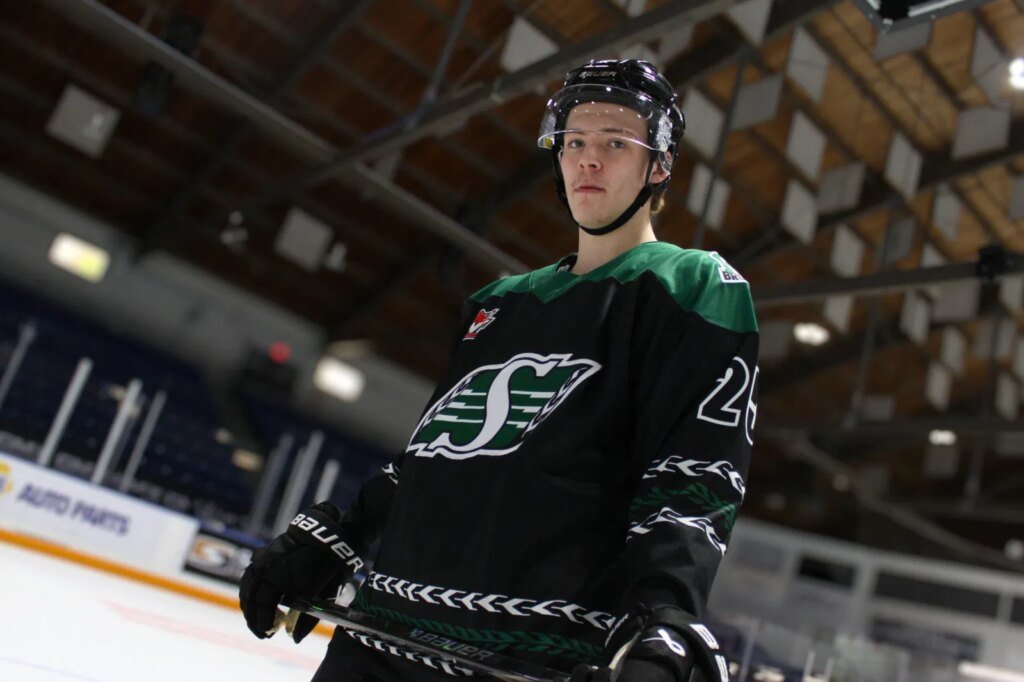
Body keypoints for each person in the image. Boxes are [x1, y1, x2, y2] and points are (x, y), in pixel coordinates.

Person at [239, 59, 759, 682]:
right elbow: (433, 453)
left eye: (616, 143)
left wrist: (665, 610)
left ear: (660, 164)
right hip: (379, 639)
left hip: (529, 658)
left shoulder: (691, 286)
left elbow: (695, 472)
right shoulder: (500, 302)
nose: (589, 160)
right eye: (575, 142)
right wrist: (346, 531)